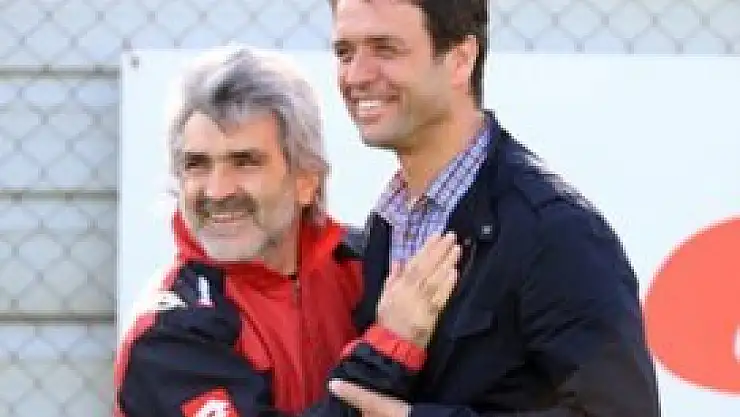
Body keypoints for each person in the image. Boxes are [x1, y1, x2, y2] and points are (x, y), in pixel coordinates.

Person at [326, 0, 662, 416]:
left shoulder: (556, 231)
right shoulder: (389, 222)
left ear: (460, 60)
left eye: (385, 49)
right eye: (345, 52)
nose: (356, 75)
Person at [113, 45, 461, 417]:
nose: (217, 191)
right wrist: (391, 346)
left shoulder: (368, 267)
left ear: (306, 180)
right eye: (197, 164)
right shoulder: (167, 333)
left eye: (245, 161)